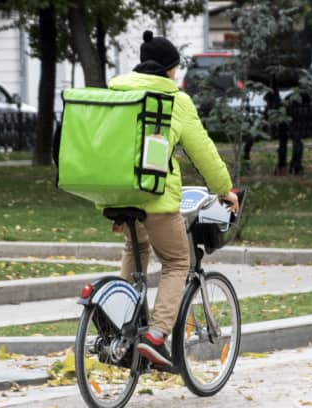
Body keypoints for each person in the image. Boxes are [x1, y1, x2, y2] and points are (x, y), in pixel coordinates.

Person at [107, 30, 239, 367]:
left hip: (118, 193)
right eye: (176, 70)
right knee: (178, 261)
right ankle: (156, 335)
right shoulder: (175, 100)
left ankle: (121, 330)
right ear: (168, 70)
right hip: (156, 199)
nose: (177, 76)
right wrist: (225, 189)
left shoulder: (117, 91)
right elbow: (203, 151)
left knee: (135, 251)